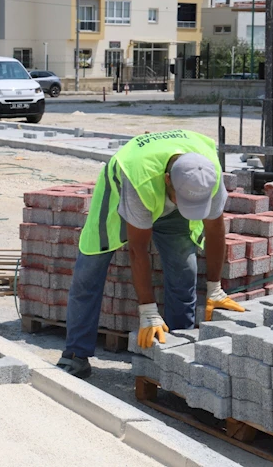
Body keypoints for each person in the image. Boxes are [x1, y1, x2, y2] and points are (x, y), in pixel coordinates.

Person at [57, 129, 245, 379]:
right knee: (89, 270)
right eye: (183, 200)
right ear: (167, 180)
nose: (187, 207)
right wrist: (148, 311)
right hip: (123, 192)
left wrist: (215, 288)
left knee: (184, 268)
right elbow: (138, 250)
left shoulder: (208, 174)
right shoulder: (140, 180)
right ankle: (75, 355)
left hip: (166, 194)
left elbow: (215, 230)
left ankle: (178, 351)